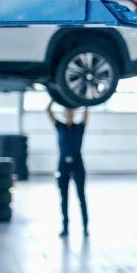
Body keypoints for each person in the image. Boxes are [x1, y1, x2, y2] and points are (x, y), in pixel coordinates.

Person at [47, 100, 89, 237]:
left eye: (71, 111)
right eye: (67, 111)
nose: (69, 113)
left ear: (74, 113)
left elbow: (86, 112)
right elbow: (48, 111)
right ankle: (65, 227)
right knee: (63, 197)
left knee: (81, 196)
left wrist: (84, 100)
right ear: (64, 114)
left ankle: (85, 227)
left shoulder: (79, 127)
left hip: (77, 163)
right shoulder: (60, 126)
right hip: (63, 164)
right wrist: (54, 98)